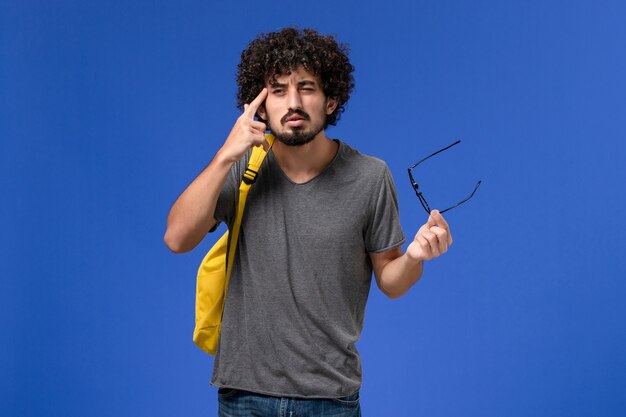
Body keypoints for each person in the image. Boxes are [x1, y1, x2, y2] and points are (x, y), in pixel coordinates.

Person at [164, 27, 453, 417]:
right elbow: (178, 239)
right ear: (260, 105)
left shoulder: (369, 176)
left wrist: (416, 256)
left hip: (330, 399)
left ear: (331, 100)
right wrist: (223, 157)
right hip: (243, 395)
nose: (293, 102)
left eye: (307, 88)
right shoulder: (241, 167)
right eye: (278, 90)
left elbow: (391, 281)